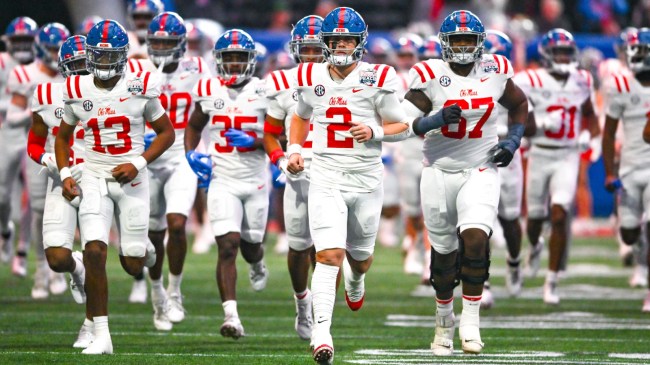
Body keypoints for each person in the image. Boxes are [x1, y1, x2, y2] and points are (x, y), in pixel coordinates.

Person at [285, 7, 413, 364]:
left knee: (360, 259)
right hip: (326, 175)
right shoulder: (310, 75)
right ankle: (321, 334)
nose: (341, 45)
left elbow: (402, 127)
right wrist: (295, 148)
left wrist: (375, 131)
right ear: (324, 42)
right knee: (328, 255)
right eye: (335, 39)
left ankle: (356, 282)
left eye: (347, 39)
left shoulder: (379, 77)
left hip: (366, 178)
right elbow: (300, 115)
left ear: (360, 42)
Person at [402, 10, 528, 355]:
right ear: (444, 43)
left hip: (481, 167)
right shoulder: (429, 74)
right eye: (455, 40)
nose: (461, 47)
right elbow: (402, 124)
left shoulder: (495, 70)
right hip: (439, 170)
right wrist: (434, 120)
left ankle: (470, 321)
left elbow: (519, 104)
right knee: (443, 257)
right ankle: (444, 320)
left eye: (467, 40)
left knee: (475, 239)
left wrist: (512, 140)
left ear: (479, 43)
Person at [54, 19, 174, 354]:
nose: (105, 64)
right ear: (89, 55)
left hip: (132, 177)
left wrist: (137, 162)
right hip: (93, 175)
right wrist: (65, 173)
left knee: (133, 263)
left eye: (111, 57)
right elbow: (62, 139)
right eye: (99, 57)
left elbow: (167, 132)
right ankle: (102, 335)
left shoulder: (140, 85)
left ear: (123, 56)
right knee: (93, 250)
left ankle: (148, 254)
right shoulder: (77, 88)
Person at [185, 28, 269, 340]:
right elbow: (194, 125)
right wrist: (191, 155)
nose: (234, 63)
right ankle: (231, 316)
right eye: (228, 58)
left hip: (255, 179)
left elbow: (282, 135)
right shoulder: (207, 88)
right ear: (218, 60)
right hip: (222, 178)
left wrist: (256, 140)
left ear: (251, 61)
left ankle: (258, 264)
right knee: (227, 246)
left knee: (250, 247)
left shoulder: (265, 90)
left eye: (239, 58)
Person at [514, 28, 600, 305]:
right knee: (535, 219)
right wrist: (539, 124)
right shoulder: (530, 80)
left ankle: (551, 280)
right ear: (546, 55)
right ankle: (536, 245)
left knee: (561, 212)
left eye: (566, 51)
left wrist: (589, 135)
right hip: (539, 153)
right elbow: (520, 122)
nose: (563, 56)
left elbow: (590, 114)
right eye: (558, 51)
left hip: (567, 155)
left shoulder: (582, 79)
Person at [143, 11, 211, 329]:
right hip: (147, 155)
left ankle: (174, 290)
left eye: (167, 42)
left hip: (182, 154)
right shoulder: (135, 69)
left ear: (182, 44)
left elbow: (211, 105)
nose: (160, 48)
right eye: (156, 42)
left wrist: (206, 150)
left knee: (177, 223)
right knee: (154, 232)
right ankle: (157, 294)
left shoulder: (197, 68)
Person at [262, 14, 324, 341]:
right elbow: (270, 134)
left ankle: (323, 320)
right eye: (307, 49)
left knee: (329, 249)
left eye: (319, 48)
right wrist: (280, 160)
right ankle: (303, 303)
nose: (313, 55)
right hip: (297, 173)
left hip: (335, 172)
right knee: (299, 247)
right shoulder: (282, 82)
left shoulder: (346, 79)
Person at [28, 34, 90, 347]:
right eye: (73, 65)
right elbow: (34, 142)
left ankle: (92, 326)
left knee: (106, 252)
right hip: (62, 178)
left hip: (98, 180)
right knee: (56, 257)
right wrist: (46, 157)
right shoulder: (47, 94)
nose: (79, 70)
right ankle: (75, 268)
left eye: (84, 64)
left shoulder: (110, 93)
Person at [5, 22, 69, 297]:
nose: (56, 55)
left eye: (60, 49)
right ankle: (42, 271)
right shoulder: (25, 74)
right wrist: (38, 113)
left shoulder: (73, 76)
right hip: (39, 149)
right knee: (40, 211)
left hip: (68, 148)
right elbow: (11, 117)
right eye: (52, 49)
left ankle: (64, 269)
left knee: (70, 209)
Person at [480, 29, 533, 308]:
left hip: (508, 156)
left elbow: (528, 121)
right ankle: (483, 282)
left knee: (509, 219)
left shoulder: (515, 82)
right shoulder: (466, 78)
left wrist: (508, 134)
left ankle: (513, 262)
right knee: (478, 220)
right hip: (476, 155)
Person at [604, 28, 650, 313]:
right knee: (631, 233)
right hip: (631, 168)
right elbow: (608, 133)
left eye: (642, 51)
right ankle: (640, 252)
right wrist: (611, 172)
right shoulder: (619, 85)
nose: (636, 56)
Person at [0, 16, 38, 265]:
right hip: (7, 128)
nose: (23, 45)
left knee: (34, 197)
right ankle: (5, 231)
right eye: (19, 40)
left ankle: (23, 249)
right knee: (2, 195)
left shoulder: (43, 65)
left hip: (36, 129)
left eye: (27, 39)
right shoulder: (3, 62)